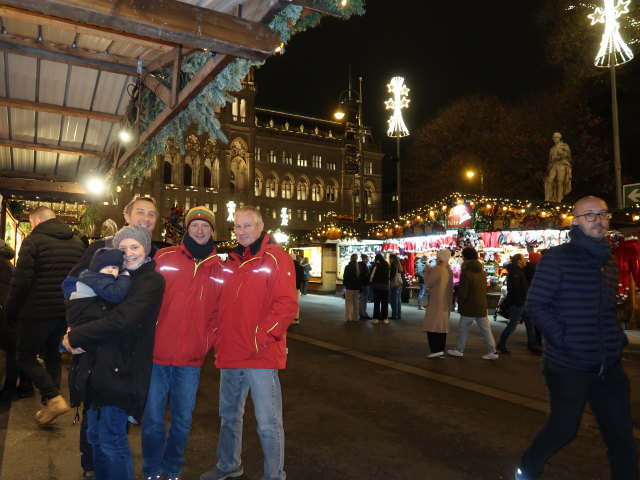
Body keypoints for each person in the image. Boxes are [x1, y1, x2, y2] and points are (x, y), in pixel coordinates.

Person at [515, 196, 638, 480]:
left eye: (602, 214)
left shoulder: (608, 261)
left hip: (608, 366)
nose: (598, 220)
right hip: (568, 365)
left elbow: (605, 308)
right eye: (590, 215)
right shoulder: (557, 258)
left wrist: (615, 337)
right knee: (563, 428)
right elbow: (536, 305)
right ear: (576, 221)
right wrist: (565, 339)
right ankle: (528, 467)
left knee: (622, 439)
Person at [62, 195, 159, 479]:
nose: (146, 217)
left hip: (120, 364)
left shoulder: (146, 275)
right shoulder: (103, 254)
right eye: (140, 211)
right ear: (126, 215)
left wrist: (76, 335)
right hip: (95, 359)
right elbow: (72, 285)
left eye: (151, 214)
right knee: (97, 433)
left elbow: (121, 320)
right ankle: (91, 467)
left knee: (111, 437)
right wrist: (72, 327)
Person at [200, 206, 297, 480]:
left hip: (260, 354)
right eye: (238, 226)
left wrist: (259, 339)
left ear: (260, 225)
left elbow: (286, 305)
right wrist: (219, 335)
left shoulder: (276, 258)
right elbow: (219, 304)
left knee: (268, 423)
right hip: (231, 352)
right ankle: (229, 464)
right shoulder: (231, 262)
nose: (242, 231)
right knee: (229, 416)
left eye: (247, 225)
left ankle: (274, 475)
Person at [142, 206, 224, 480]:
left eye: (205, 226)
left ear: (213, 231)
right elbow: (144, 298)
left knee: (182, 420)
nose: (200, 230)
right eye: (195, 225)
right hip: (157, 354)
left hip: (190, 358)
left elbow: (219, 316)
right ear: (186, 229)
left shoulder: (219, 269)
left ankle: (173, 467)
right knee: (153, 419)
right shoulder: (163, 257)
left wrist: (204, 342)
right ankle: (152, 469)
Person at [5, 206, 84, 424]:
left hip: (36, 312)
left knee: (25, 356)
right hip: (64, 311)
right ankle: (49, 405)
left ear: (37, 220)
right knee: (52, 356)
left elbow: (20, 282)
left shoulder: (33, 241)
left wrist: (10, 311)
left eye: (31, 223)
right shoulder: (77, 243)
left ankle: (53, 398)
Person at [66, 248, 131, 425]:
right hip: (91, 342)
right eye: (107, 267)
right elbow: (116, 294)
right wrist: (125, 274)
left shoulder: (89, 278)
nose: (111, 271)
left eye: (115, 268)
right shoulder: (98, 281)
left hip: (88, 346)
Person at [446, 247, 499, 360]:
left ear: (466, 257)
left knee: (463, 329)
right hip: (481, 304)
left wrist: (460, 302)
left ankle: (459, 350)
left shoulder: (466, 271)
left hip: (469, 306)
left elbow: (464, 291)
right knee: (486, 329)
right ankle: (493, 351)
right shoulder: (482, 271)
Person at [0, 238, 32, 402]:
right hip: (11, 311)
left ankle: (10, 389)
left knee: (14, 351)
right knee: (16, 350)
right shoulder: (5, 260)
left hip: (5, 312)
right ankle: (25, 385)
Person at [496, 254, 538, 354]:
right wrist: (519, 302)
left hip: (523, 302)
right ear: (519, 261)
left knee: (529, 324)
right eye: (523, 259)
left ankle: (532, 345)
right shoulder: (515, 272)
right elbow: (514, 289)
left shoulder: (519, 271)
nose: (525, 260)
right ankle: (501, 344)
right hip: (518, 304)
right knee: (512, 325)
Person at [422, 248, 453, 359]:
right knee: (441, 327)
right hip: (445, 302)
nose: (436, 258)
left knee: (432, 326)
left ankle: (435, 350)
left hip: (436, 302)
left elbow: (428, 283)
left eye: (438, 256)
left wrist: (427, 272)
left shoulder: (438, 269)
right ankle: (440, 350)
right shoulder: (448, 270)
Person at [544, 131, 572, 203]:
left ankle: (559, 200)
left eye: (556, 137)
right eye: (554, 137)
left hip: (562, 165)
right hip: (554, 165)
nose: (555, 138)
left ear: (560, 138)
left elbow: (568, 155)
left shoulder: (564, 146)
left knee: (560, 181)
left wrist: (559, 157)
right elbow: (550, 159)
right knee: (549, 180)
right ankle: (548, 198)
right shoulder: (552, 148)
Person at [369, 253, 390, 325]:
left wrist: (371, 282)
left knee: (377, 302)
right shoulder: (387, 265)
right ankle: (385, 318)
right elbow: (389, 276)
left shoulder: (376, 265)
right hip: (385, 286)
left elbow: (371, 276)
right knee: (385, 303)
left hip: (377, 286)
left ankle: (376, 318)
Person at [342, 254, 361, 323]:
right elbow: (360, 278)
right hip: (357, 288)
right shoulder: (359, 267)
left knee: (348, 303)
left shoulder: (348, 267)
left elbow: (345, 277)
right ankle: (355, 317)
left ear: (351, 258)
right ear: (357, 258)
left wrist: (345, 285)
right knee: (356, 302)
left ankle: (348, 318)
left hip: (349, 287)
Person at [388, 253, 404, 320]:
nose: (389, 260)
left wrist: (388, 279)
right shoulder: (399, 265)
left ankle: (394, 315)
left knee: (393, 300)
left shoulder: (393, 265)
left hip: (394, 284)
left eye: (390, 258)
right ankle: (398, 315)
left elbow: (392, 275)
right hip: (399, 284)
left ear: (392, 259)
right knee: (398, 300)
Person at [290, 253, 304, 325]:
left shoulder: (289, 266)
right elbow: (302, 278)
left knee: (288, 302)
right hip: (297, 287)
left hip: (289, 287)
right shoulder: (301, 267)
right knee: (296, 302)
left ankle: (290, 318)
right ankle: (296, 318)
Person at [358, 254, 372, 319]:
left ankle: (360, 313)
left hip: (360, 284)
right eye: (367, 258)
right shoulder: (364, 266)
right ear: (364, 259)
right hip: (365, 284)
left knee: (361, 299)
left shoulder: (359, 265)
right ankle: (364, 314)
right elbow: (365, 276)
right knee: (364, 299)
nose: (368, 259)